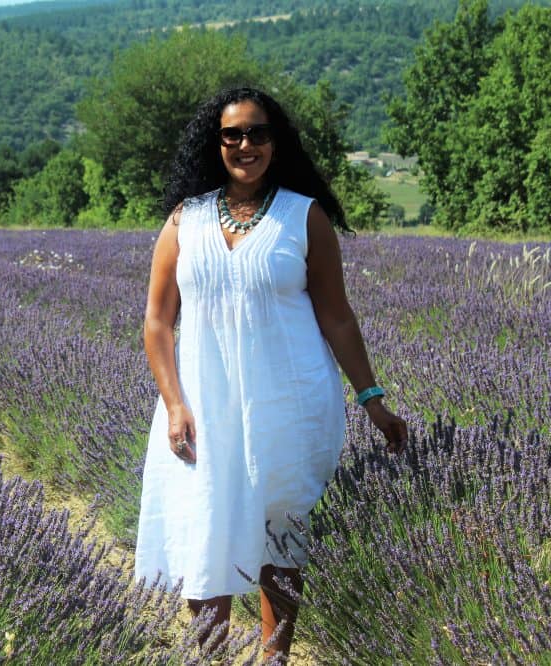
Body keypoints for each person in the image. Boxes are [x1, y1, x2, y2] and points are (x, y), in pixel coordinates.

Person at [134, 86, 408, 660]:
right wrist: (175, 403)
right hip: (203, 407)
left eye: (257, 132)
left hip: (289, 404)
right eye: (232, 134)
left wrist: (373, 399)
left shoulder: (302, 216)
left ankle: (275, 657)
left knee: (281, 535)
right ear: (217, 144)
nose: (245, 144)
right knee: (207, 526)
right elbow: (158, 323)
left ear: (275, 142)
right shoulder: (185, 220)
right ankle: (209, 656)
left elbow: (336, 318)